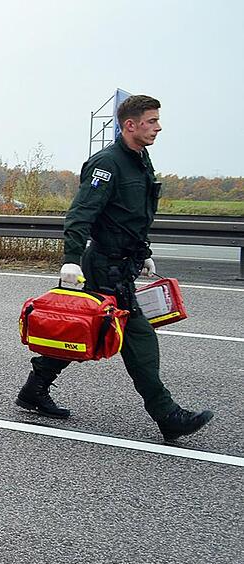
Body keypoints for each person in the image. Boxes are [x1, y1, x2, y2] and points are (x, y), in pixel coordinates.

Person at [15, 94, 213, 442]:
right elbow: (81, 214)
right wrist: (71, 260)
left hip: (123, 264)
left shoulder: (140, 160)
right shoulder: (107, 164)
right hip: (103, 265)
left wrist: (144, 251)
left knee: (83, 330)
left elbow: (133, 215)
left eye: (157, 120)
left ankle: (33, 390)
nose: (158, 127)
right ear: (130, 124)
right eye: (151, 121)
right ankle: (168, 415)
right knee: (138, 338)